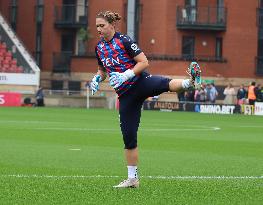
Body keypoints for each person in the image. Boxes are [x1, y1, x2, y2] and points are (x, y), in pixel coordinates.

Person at [89, 11, 201, 188]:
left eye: (102, 25)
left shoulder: (124, 40)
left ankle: (191, 82)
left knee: (165, 83)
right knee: (129, 137)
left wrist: (126, 75)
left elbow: (143, 62)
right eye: (97, 26)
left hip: (140, 82)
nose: (99, 29)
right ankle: (133, 179)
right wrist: (96, 79)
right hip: (125, 96)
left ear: (112, 25)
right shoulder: (99, 48)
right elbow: (102, 71)